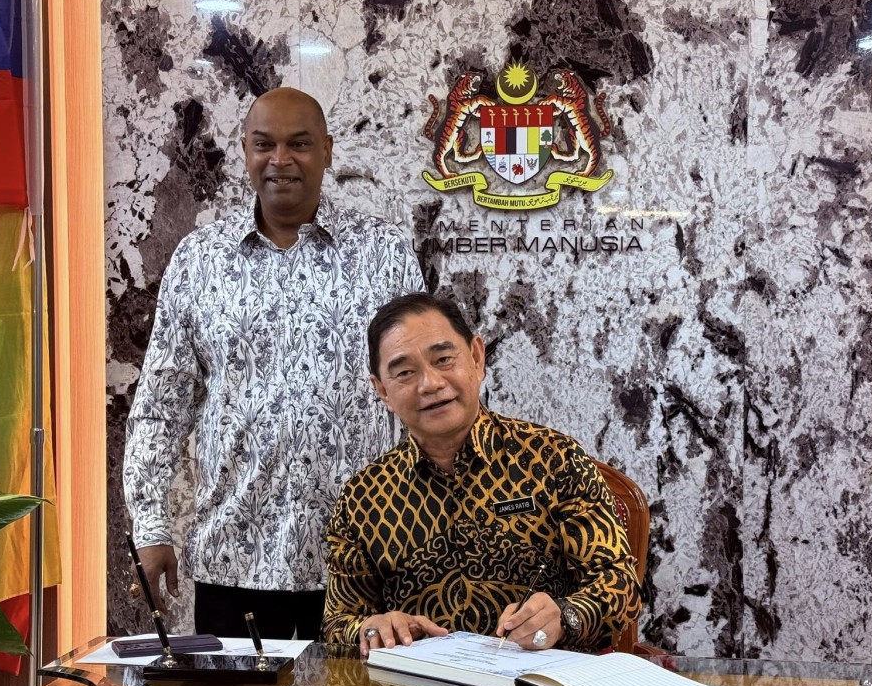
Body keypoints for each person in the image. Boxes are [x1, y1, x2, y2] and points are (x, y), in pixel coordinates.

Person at [124, 87, 425, 640]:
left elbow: (421, 395)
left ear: (327, 151)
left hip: (362, 561)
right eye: (264, 144)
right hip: (234, 559)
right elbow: (161, 408)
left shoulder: (384, 252)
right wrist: (150, 526)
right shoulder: (200, 260)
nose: (280, 160)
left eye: (299, 144)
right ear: (245, 150)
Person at [323, 293, 642, 655]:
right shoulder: (363, 497)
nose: (430, 384)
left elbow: (619, 583)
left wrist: (565, 616)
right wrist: (369, 629)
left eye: (443, 359)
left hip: (538, 681)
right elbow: (337, 623)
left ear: (476, 357)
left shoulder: (555, 460)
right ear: (382, 390)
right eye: (405, 372)